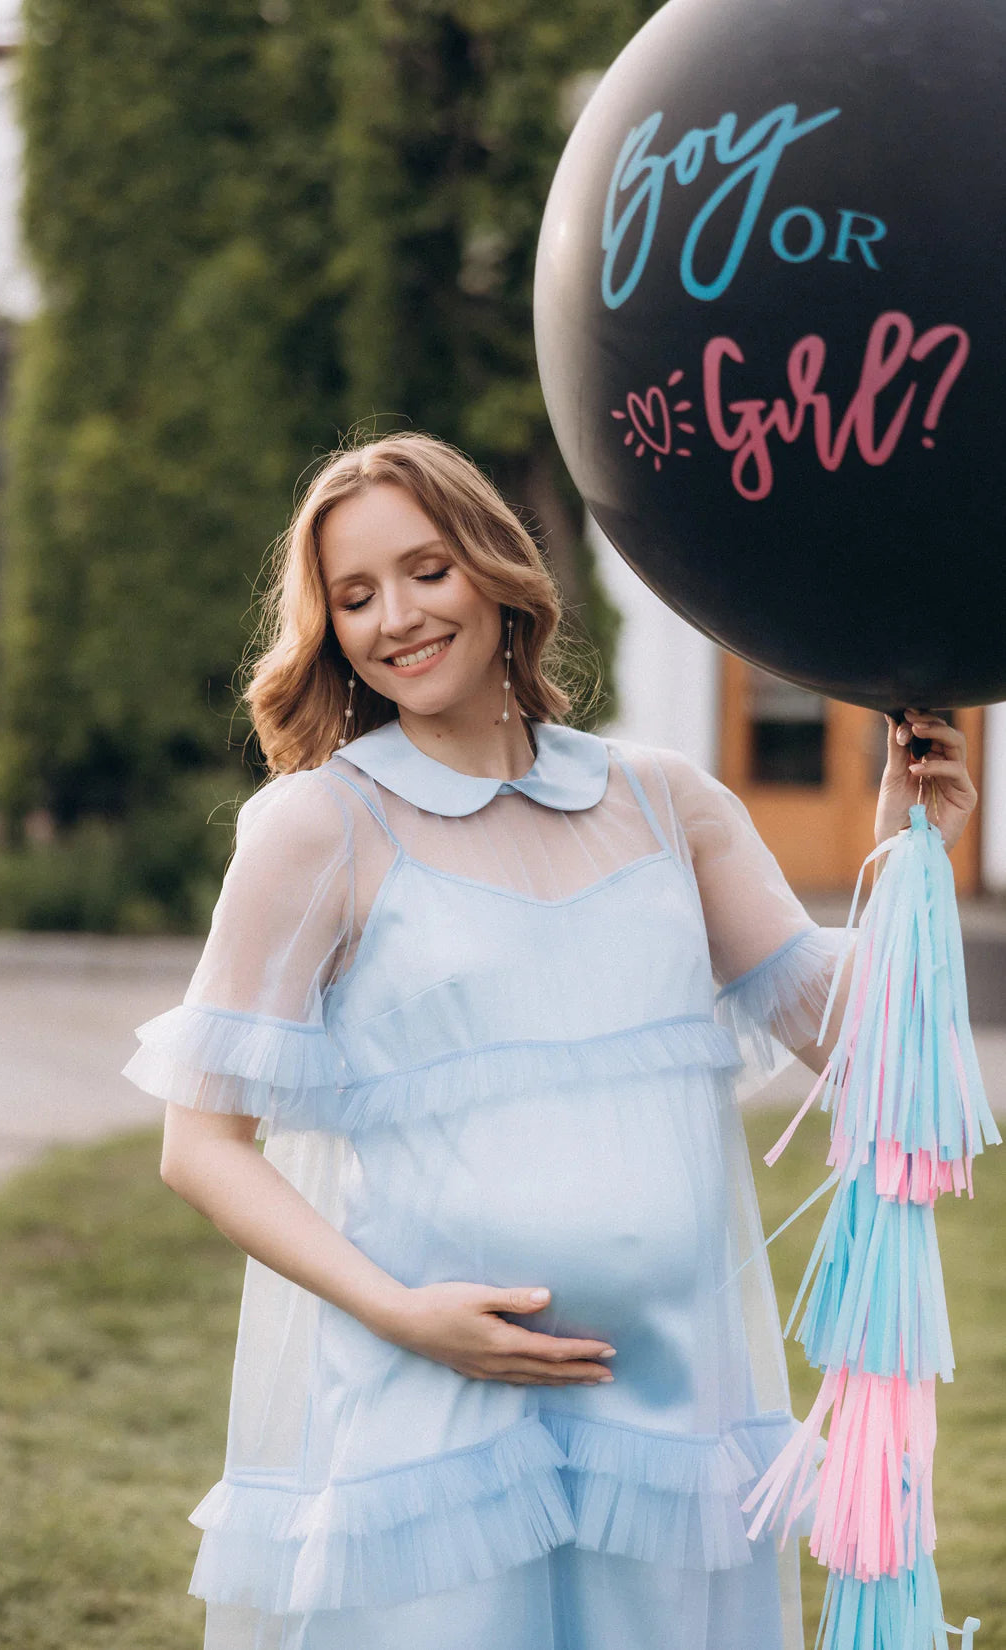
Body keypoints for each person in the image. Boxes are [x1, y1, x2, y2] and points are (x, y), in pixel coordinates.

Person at [122, 432, 978, 1650]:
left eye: (424, 571)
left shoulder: (663, 799)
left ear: (495, 570)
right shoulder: (318, 827)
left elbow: (847, 1039)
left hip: (670, 1404)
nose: (395, 619)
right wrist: (402, 1314)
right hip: (434, 1413)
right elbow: (200, 1144)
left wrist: (906, 852)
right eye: (354, 597)